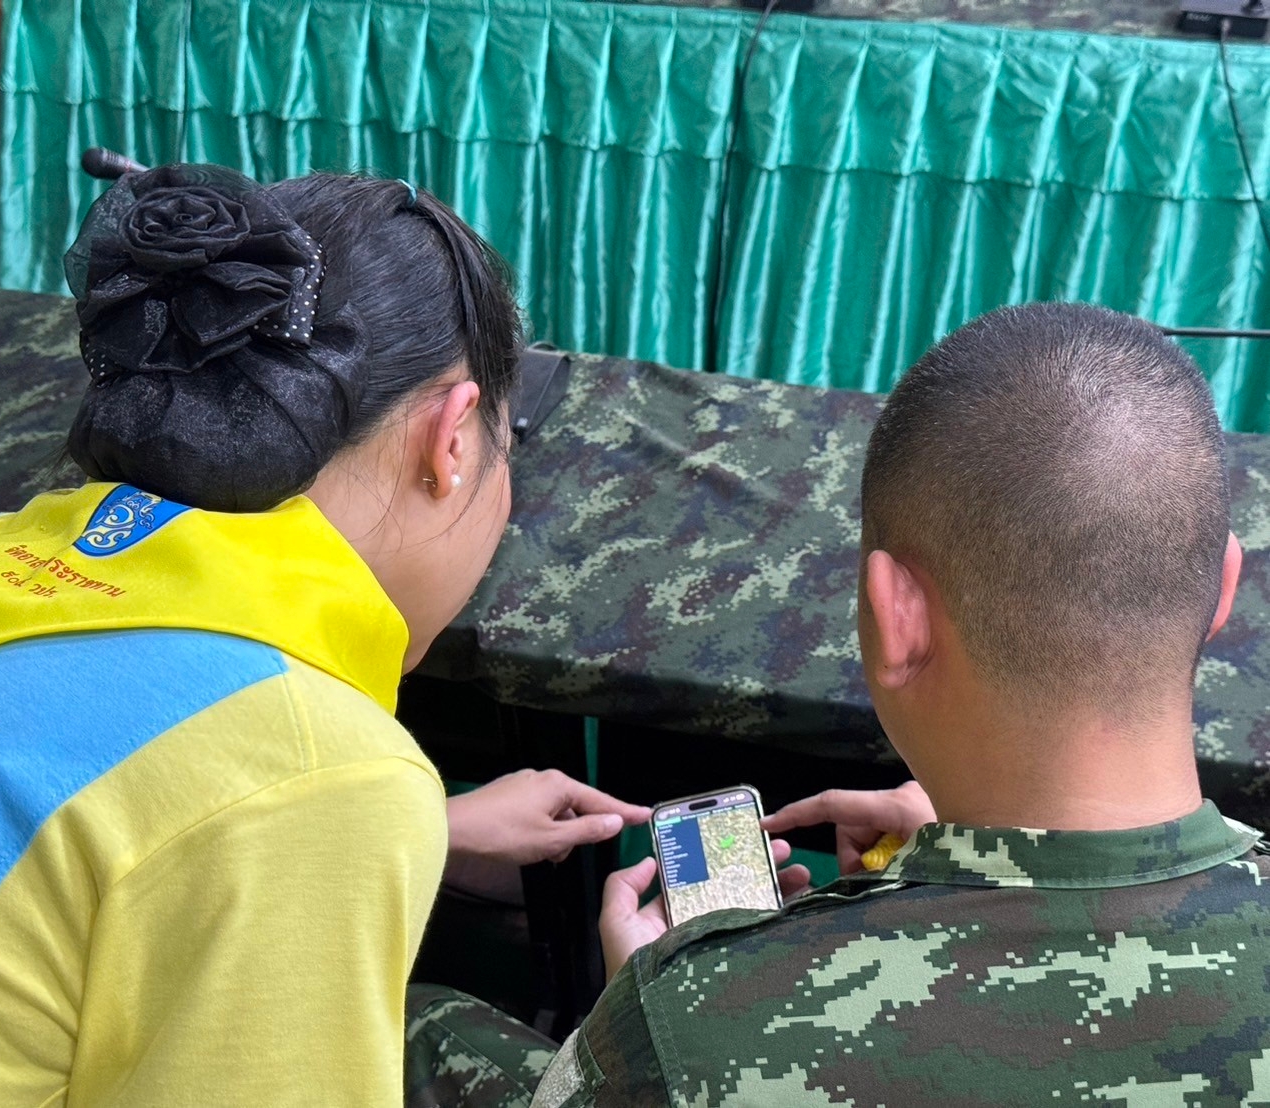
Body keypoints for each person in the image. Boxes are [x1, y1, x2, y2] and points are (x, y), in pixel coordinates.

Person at [0, 163, 645, 1107]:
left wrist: (417, 835)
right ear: (451, 439)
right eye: (503, 447)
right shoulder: (311, 768)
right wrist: (644, 1033)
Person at [406, 302, 1270, 1106]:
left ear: (897, 617)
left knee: (422, 1024)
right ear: (1221, 589)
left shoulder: (689, 1027)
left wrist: (640, 1012)